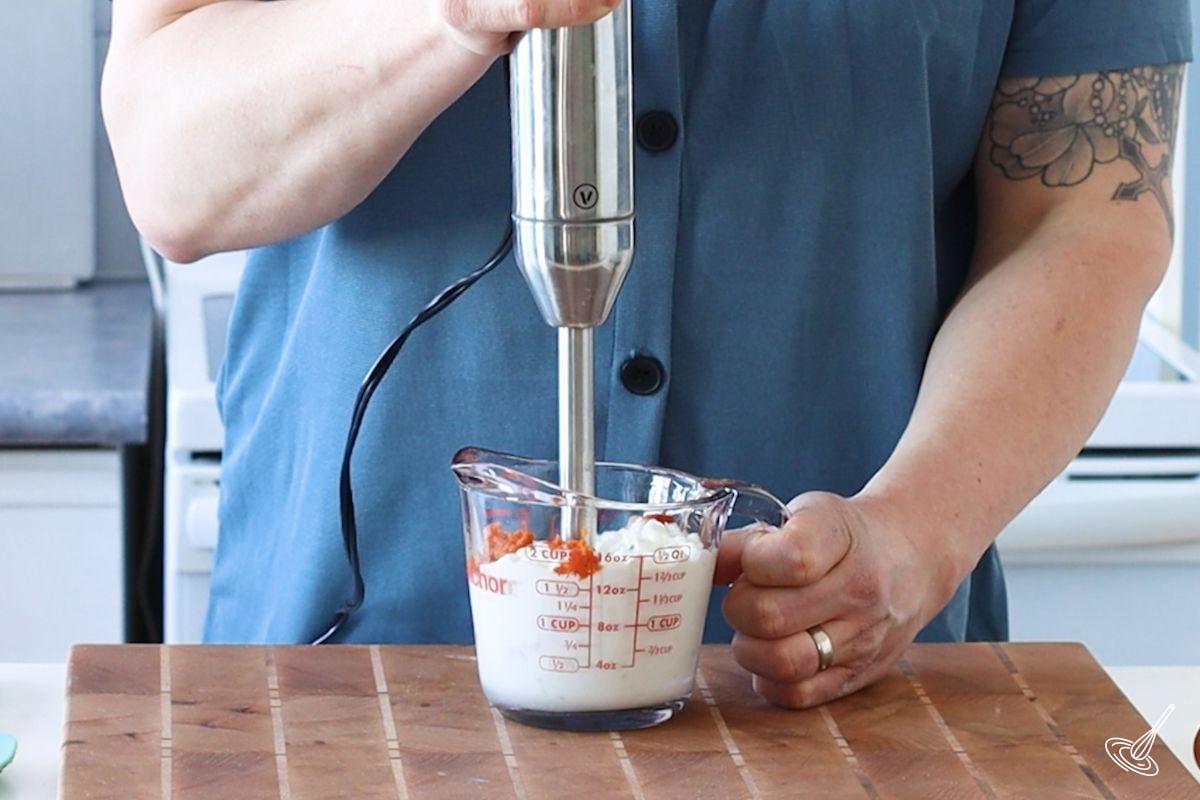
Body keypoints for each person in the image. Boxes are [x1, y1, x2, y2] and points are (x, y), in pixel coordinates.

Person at [103, 0, 1191, 708]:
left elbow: (1087, 213)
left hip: (834, 694)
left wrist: (917, 530)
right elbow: (173, 167)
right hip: (345, 680)